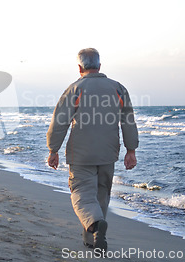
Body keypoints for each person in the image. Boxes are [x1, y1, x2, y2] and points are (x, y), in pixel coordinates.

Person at [46, 48, 139, 251]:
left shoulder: (75, 89)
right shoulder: (118, 89)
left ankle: (96, 226)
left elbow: (60, 122)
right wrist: (131, 150)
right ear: (99, 66)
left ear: (80, 67)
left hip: (80, 154)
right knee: (102, 194)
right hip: (108, 153)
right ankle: (92, 239)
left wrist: (53, 150)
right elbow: (128, 122)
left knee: (81, 193)